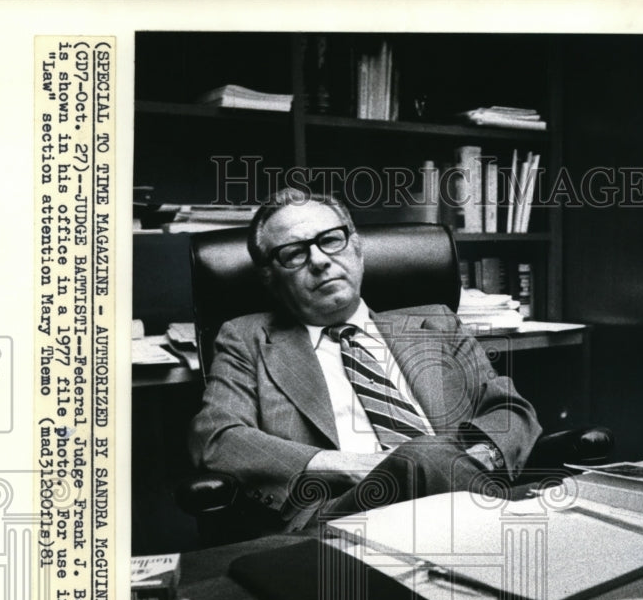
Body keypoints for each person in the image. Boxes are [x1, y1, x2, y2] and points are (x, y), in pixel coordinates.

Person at [188, 188, 542, 530]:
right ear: (270, 276)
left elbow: (510, 409)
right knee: (425, 456)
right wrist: (350, 467)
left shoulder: (436, 321)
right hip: (339, 517)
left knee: (430, 457)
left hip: (458, 496)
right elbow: (217, 438)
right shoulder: (246, 338)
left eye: (330, 240)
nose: (320, 260)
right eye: (294, 253)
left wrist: (480, 457)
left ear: (357, 247)